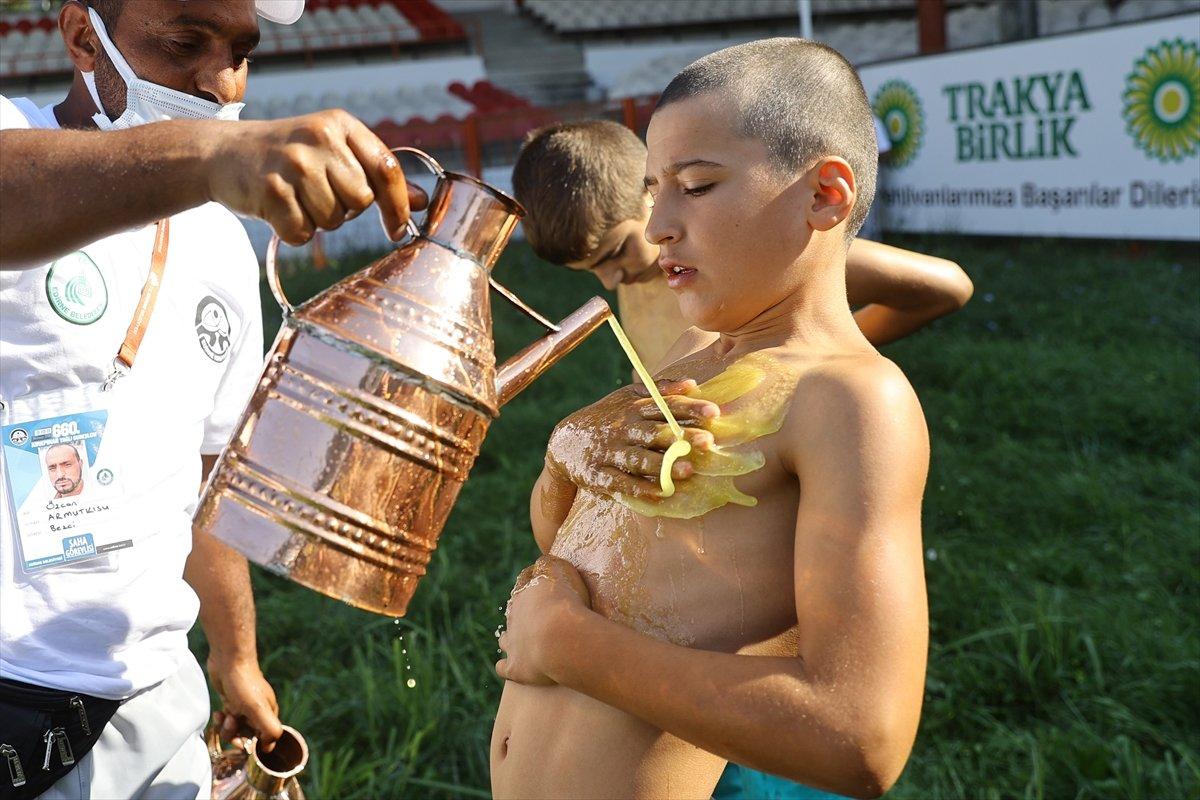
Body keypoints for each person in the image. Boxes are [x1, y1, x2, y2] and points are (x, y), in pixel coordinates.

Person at [0, 1, 423, 797]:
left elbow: (209, 470)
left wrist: (235, 658)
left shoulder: (223, 243)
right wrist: (211, 155)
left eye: (242, 50)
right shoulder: (12, 142)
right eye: (186, 42)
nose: (221, 79)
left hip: (154, 692)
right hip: (12, 687)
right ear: (83, 37)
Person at [492, 39, 931, 799]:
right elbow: (584, 547)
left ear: (825, 194)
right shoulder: (688, 365)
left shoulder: (851, 401)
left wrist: (566, 644)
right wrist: (565, 456)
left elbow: (862, 739)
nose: (657, 222)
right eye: (653, 186)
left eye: (695, 186)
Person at [512, 119, 973, 372]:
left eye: (614, 254)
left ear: (652, 190)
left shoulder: (768, 260)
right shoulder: (640, 272)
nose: (611, 280)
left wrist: (836, 344)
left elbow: (948, 287)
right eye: (590, 270)